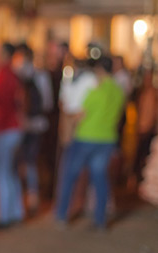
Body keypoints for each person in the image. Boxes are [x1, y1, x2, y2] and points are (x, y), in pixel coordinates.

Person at [55, 56, 125, 230]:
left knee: (70, 175)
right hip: (107, 139)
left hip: (86, 137)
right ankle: (100, 220)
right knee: (100, 179)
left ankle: (62, 215)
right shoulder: (118, 91)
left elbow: (79, 114)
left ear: (100, 70)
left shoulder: (95, 91)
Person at [0, 43, 26, 228]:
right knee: (9, 171)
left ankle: (2, 216)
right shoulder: (14, 74)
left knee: (0, 172)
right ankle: (16, 212)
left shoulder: (3, 74)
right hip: (13, 128)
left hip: (3, 129)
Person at [14, 44, 53, 212]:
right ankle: (32, 195)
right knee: (30, 161)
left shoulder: (17, 74)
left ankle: (25, 196)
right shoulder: (41, 75)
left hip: (21, 125)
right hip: (36, 124)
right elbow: (48, 102)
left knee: (23, 161)